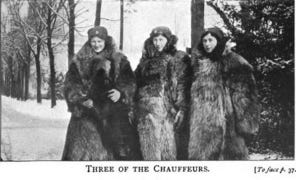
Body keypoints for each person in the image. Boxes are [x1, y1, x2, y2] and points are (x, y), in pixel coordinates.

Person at [62, 26, 142, 160]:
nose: (96, 44)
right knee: (82, 154)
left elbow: (130, 81)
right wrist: (82, 100)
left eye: (100, 41)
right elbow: (70, 84)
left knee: (113, 151)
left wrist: (121, 93)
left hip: (112, 114)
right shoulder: (79, 60)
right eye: (93, 41)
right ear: (89, 41)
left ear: (105, 41)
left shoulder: (119, 59)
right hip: (86, 114)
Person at [188, 27, 260, 160]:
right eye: (204, 41)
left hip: (228, 127)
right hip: (201, 129)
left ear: (219, 41)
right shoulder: (198, 64)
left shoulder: (235, 62)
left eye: (211, 40)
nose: (207, 44)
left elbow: (245, 96)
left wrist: (245, 126)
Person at [134, 26, 191, 160]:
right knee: (150, 151)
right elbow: (135, 82)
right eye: (155, 40)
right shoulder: (146, 60)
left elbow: (183, 84)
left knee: (169, 150)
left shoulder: (179, 57)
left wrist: (181, 108)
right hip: (146, 113)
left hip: (169, 111)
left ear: (168, 40)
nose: (157, 43)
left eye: (161, 39)